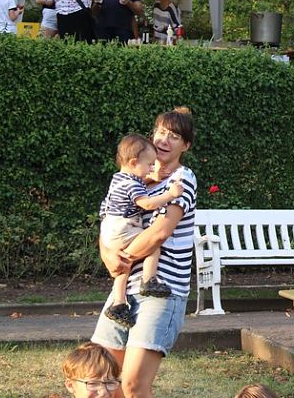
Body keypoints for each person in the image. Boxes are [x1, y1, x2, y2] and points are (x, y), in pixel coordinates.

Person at [92, 107, 198, 398]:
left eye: (175, 136)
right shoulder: (132, 179)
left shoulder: (181, 180)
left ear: (185, 146)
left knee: (134, 385)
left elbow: (159, 233)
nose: (164, 140)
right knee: (104, 380)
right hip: (125, 291)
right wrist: (107, 257)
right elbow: (108, 220)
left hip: (162, 291)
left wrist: (121, 258)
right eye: (161, 132)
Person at [99, 134, 185, 328]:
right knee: (152, 246)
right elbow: (146, 203)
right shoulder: (131, 184)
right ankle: (149, 280)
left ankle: (119, 303)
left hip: (110, 230)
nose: (151, 169)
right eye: (148, 165)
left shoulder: (118, 179)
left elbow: (138, 184)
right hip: (123, 227)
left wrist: (150, 178)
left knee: (123, 267)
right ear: (133, 162)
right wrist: (170, 194)